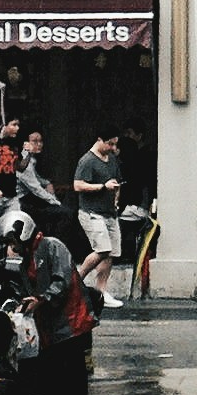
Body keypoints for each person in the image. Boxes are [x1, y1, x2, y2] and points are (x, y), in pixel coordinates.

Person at [0, 207, 92, 395]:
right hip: (49, 332)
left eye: (13, 241)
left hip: (70, 328)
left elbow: (62, 282)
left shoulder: (52, 247)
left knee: (71, 390)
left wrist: (41, 300)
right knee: (51, 389)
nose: (12, 247)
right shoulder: (27, 258)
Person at [72, 130, 124, 307]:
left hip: (109, 212)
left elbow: (116, 182)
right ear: (99, 139)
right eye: (110, 143)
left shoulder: (112, 159)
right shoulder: (87, 160)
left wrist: (116, 198)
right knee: (101, 250)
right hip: (91, 212)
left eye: (115, 144)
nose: (113, 148)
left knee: (110, 253)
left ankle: (101, 291)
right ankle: (76, 281)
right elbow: (78, 185)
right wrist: (102, 187)